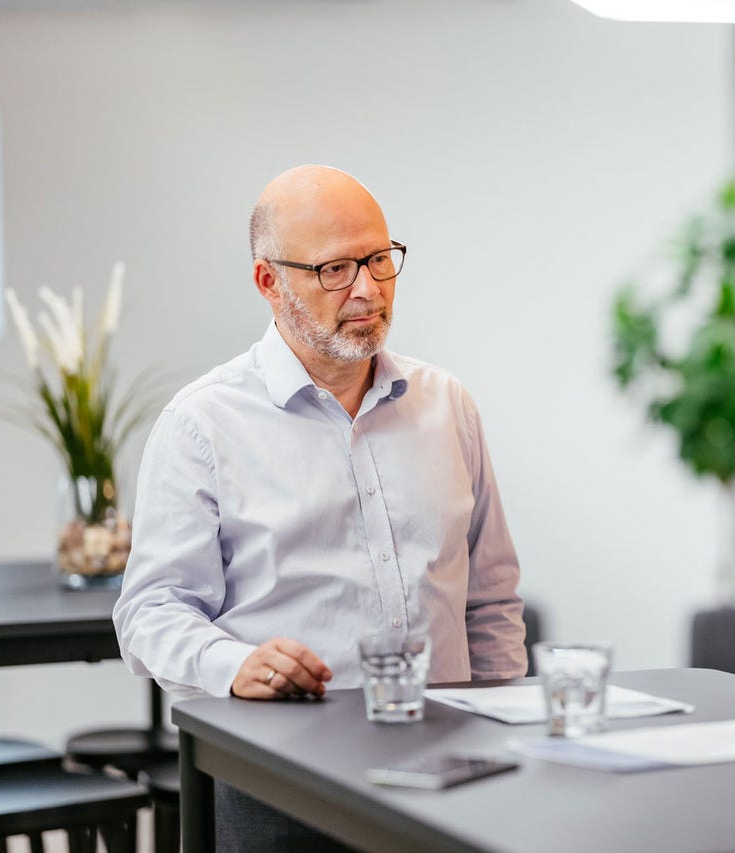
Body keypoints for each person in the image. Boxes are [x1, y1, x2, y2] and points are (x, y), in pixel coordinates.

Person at [114, 165, 527, 849]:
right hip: (279, 779)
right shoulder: (201, 425)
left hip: (448, 771)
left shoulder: (447, 404)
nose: (367, 289)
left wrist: (509, 730)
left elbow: (491, 601)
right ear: (269, 283)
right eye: (335, 268)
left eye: (378, 260)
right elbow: (149, 612)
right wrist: (232, 664)